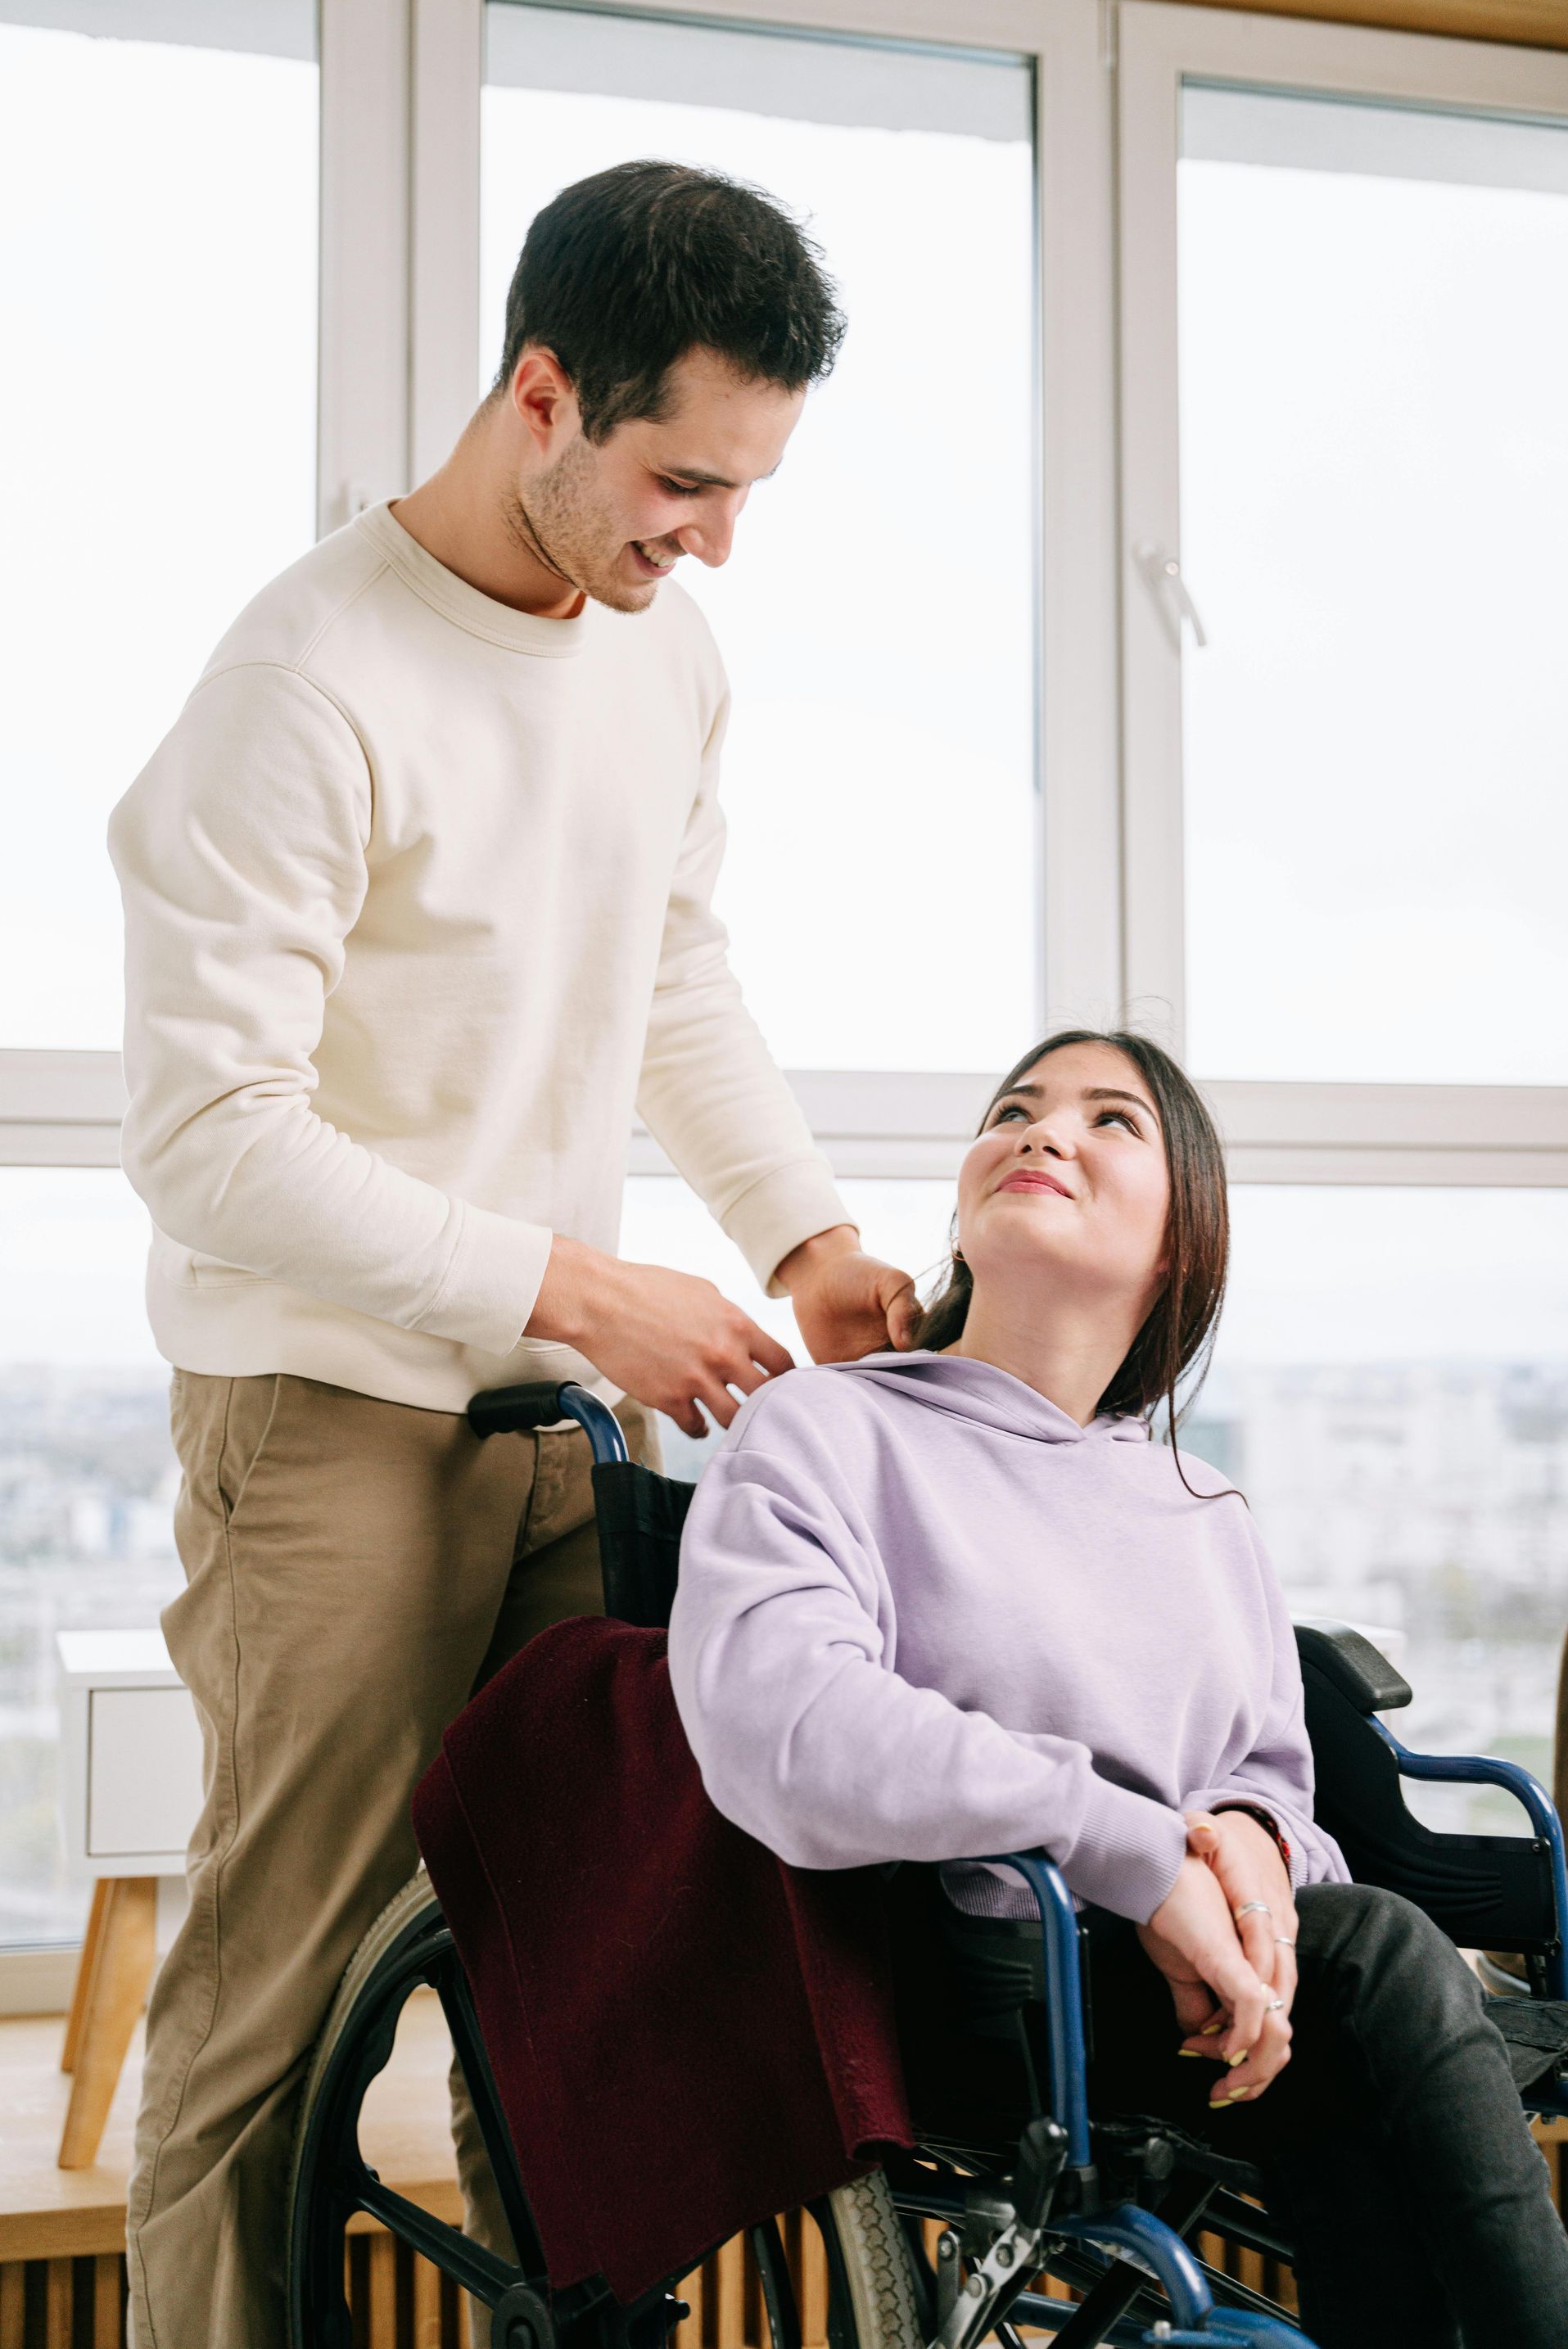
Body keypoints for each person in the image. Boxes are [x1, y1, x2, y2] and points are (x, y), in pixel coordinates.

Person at [108, 160, 915, 2349]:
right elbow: (204, 1139)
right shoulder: (304, 681)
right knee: (271, 2042)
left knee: (577, 2004)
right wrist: (584, 1286)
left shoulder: (669, 656)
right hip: (331, 1428)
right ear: (540, 393)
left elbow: (666, 968)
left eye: (749, 489)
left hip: (550, 1422)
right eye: (683, 479)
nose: (717, 539)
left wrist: (804, 1236)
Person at [668, 1029, 1568, 2348]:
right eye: (1017, 1110)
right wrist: (1138, 1853)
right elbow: (784, 1721)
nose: (1043, 1131)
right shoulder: (831, 1429)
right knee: (1380, 1960)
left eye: (1110, 1120)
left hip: (1211, 1997)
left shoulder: (1199, 1508)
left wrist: (1257, 1857)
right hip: (989, 1983)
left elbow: (1267, 1780)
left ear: (1178, 1249)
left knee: (1358, 2050)